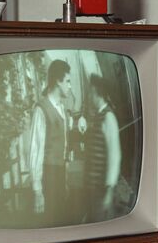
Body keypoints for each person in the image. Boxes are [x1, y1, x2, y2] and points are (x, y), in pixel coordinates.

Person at [29, 59, 72, 225]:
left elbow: (63, 147)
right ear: (58, 81)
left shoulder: (61, 108)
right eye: (68, 81)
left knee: (61, 219)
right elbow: (35, 151)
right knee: (50, 222)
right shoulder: (41, 109)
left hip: (59, 174)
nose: (70, 86)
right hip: (48, 176)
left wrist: (64, 178)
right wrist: (37, 191)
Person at [80, 74, 122, 222]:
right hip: (92, 187)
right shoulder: (97, 116)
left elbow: (114, 155)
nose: (89, 96)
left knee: (101, 225)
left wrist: (109, 189)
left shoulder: (108, 117)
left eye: (90, 92)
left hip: (101, 189)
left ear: (97, 93)